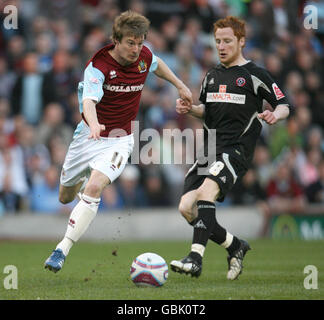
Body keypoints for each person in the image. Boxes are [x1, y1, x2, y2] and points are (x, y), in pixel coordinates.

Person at [44, 10, 192, 273]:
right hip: (89, 135)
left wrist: (180, 85)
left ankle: (61, 249)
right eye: (130, 43)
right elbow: (88, 100)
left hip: (119, 140)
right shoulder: (98, 66)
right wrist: (93, 123)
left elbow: (158, 65)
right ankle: (81, 178)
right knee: (65, 197)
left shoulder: (144, 56)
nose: (136, 49)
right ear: (116, 40)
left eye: (140, 42)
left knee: (94, 189)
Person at [170, 16, 290, 280]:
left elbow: (284, 104)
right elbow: (207, 112)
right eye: (217, 42)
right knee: (186, 207)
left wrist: (275, 116)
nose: (221, 46)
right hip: (209, 150)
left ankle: (195, 258)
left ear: (241, 41)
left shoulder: (256, 75)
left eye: (227, 41)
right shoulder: (211, 76)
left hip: (235, 150)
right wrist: (190, 109)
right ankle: (235, 246)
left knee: (205, 193)